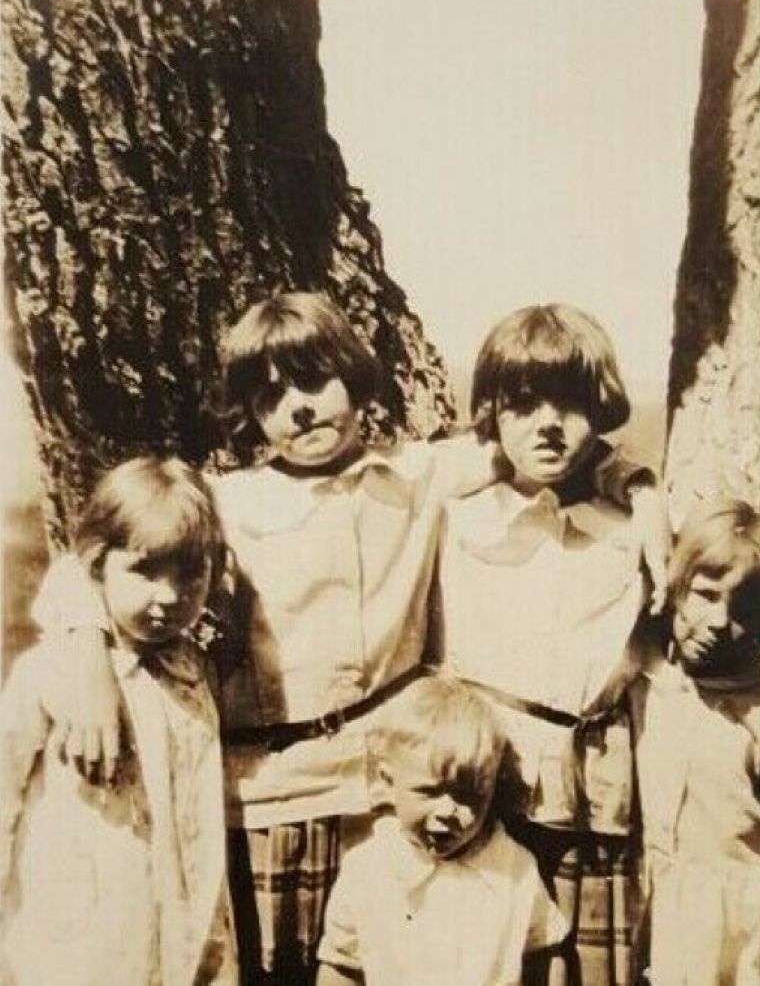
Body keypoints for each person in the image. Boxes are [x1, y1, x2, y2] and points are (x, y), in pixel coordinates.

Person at [34, 291, 665, 985]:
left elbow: (548, 440)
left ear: (356, 378)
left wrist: (639, 484)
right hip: (272, 794)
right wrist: (88, 656)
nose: (298, 407)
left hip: (385, 797)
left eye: (313, 381)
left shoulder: (420, 474)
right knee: (278, 969)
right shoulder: (225, 500)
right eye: (271, 396)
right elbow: (86, 564)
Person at [436, 303, 654, 986]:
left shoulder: (631, 529)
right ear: (496, 411)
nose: (549, 423)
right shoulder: (456, 513)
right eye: (524, 403)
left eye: (571, 402)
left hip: (594, 798)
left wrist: (644, 488)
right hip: (482, 787)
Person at [0, 457, 237, 986]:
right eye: (144, 571)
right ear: (96, 565)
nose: (170, 597)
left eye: (189, 573)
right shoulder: (54, 672)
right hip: (76, 943)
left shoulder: (192, 675)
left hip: (176, 936)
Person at [629, 500, 760, 986]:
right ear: (676, 586)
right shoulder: (650, 674)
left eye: (744, 611)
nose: (718, 622)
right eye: (706, 595)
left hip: (733, 919)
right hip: (656, 900)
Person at [316, 675, 568, 986]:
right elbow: (341, 967)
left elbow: (545, 953)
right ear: (388, 781)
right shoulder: (367, 870)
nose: (448, 812)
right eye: (429, 792)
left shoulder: (515, 868)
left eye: (469, 797)